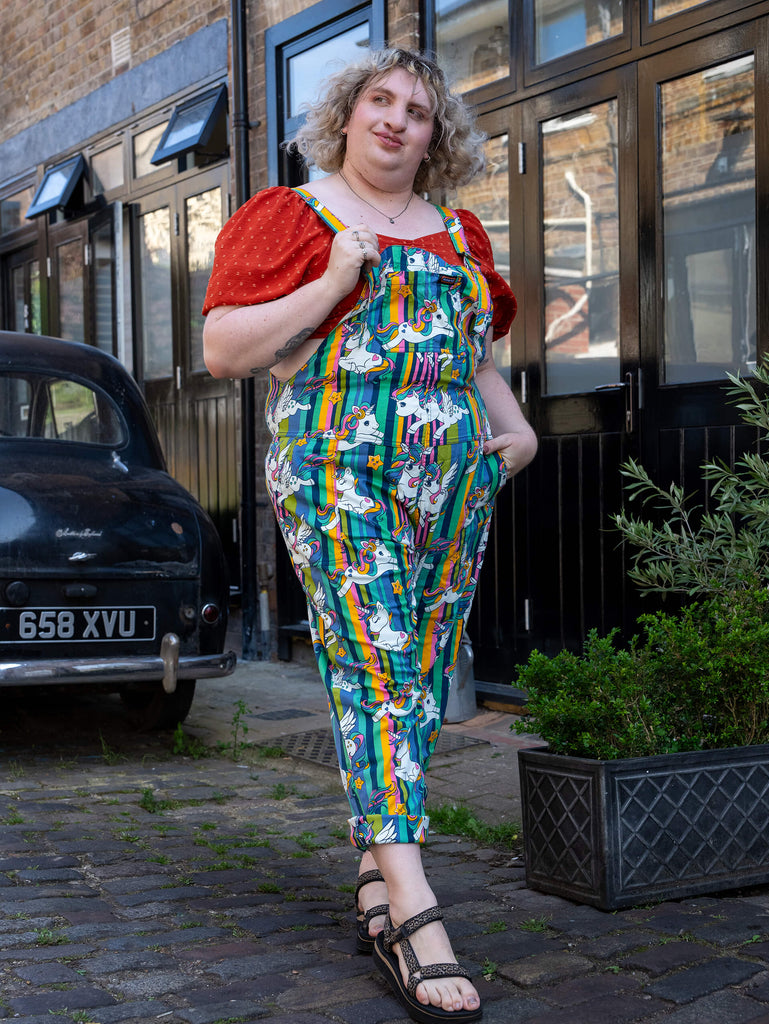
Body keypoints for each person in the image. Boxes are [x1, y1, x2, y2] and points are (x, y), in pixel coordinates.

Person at [202, 47, 537, 1023]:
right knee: (379, 663)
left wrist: (512, 429)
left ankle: (373, 883)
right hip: (336, 472)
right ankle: (420, 907)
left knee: (423, 676)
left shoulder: (459, 234)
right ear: (346, 116)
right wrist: (339, 273)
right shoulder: (296, 218)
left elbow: (474, 358)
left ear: (436, 134)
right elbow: (226, 350)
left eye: (418, 110)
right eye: (379, 102)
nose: (396, 120)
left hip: (452, 482)